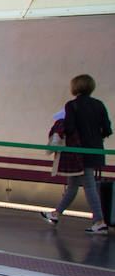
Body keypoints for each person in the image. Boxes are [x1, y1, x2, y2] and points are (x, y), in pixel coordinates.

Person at [42, 74, 111, 234]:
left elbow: (70, 127)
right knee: (73, 185)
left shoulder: (72, 105)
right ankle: (56, 214)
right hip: (94, 150)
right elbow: (107, 129)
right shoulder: (99, 105)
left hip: (77, 152)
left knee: (89, 185)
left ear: (75, 87)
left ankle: (99, 221)